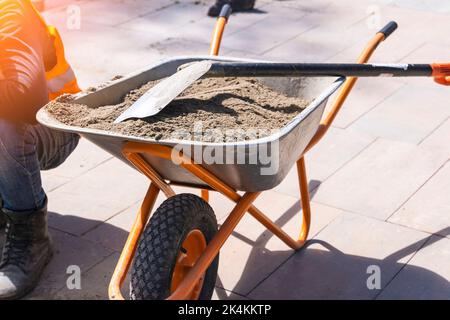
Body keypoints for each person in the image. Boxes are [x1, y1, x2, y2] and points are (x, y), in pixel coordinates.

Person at [0, 0, 80, 299]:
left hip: (55, 123)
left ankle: (31, 238)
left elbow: (23, 102)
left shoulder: (10, 13)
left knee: (2, 127)